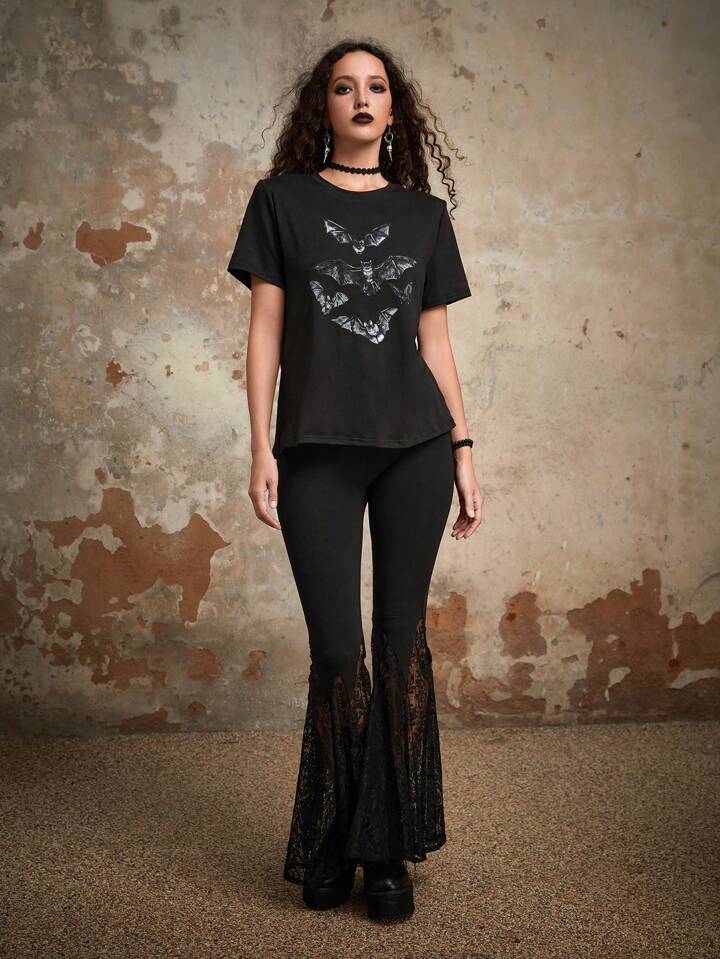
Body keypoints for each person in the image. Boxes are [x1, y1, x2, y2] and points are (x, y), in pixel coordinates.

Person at [226, 39, 483, 921]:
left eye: (376, 87)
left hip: (416, 445)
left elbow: (435, 342)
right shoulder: (280, 202)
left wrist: (463, 447)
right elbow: (266, 331)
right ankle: (338, 833)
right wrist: (259, 445)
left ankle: (385, 849)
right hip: (315, 448)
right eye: (344, 87)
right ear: (324, 108)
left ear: (394, 109)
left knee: (400, 640)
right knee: (339, 649)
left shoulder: (425, 215)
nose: (362, 99)